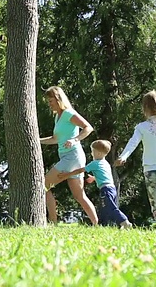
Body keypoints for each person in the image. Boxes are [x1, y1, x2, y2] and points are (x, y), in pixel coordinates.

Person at [115, 90, 156, 232]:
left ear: (145, 108)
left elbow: (133, 143)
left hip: (150, 169)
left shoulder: (142, 127)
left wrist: (123, 156)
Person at [40, 86, 98, 225]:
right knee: (79, 195)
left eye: (51, 101)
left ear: (58, 99)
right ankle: (97, 224)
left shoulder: (68, 113)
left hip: (72, 157)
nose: (49, 104)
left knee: (43, 186)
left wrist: (75, 139)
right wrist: (36, 140)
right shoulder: (57, 117)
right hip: (69, 158)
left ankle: (52, 222)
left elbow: (88, 127)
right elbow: (55, 139)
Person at [58, 140, 132, 229]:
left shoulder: (95, 163)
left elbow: (80, 170)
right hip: (111, 188)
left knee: (110, 207)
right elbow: (104, 175)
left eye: (93, 152)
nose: (92, 154)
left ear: (99, 153)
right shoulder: (105, 163)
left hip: (106, 189)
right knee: (105, 209)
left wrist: (67, 175)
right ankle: (104, 226)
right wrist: (94, 178)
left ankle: (124, 222)